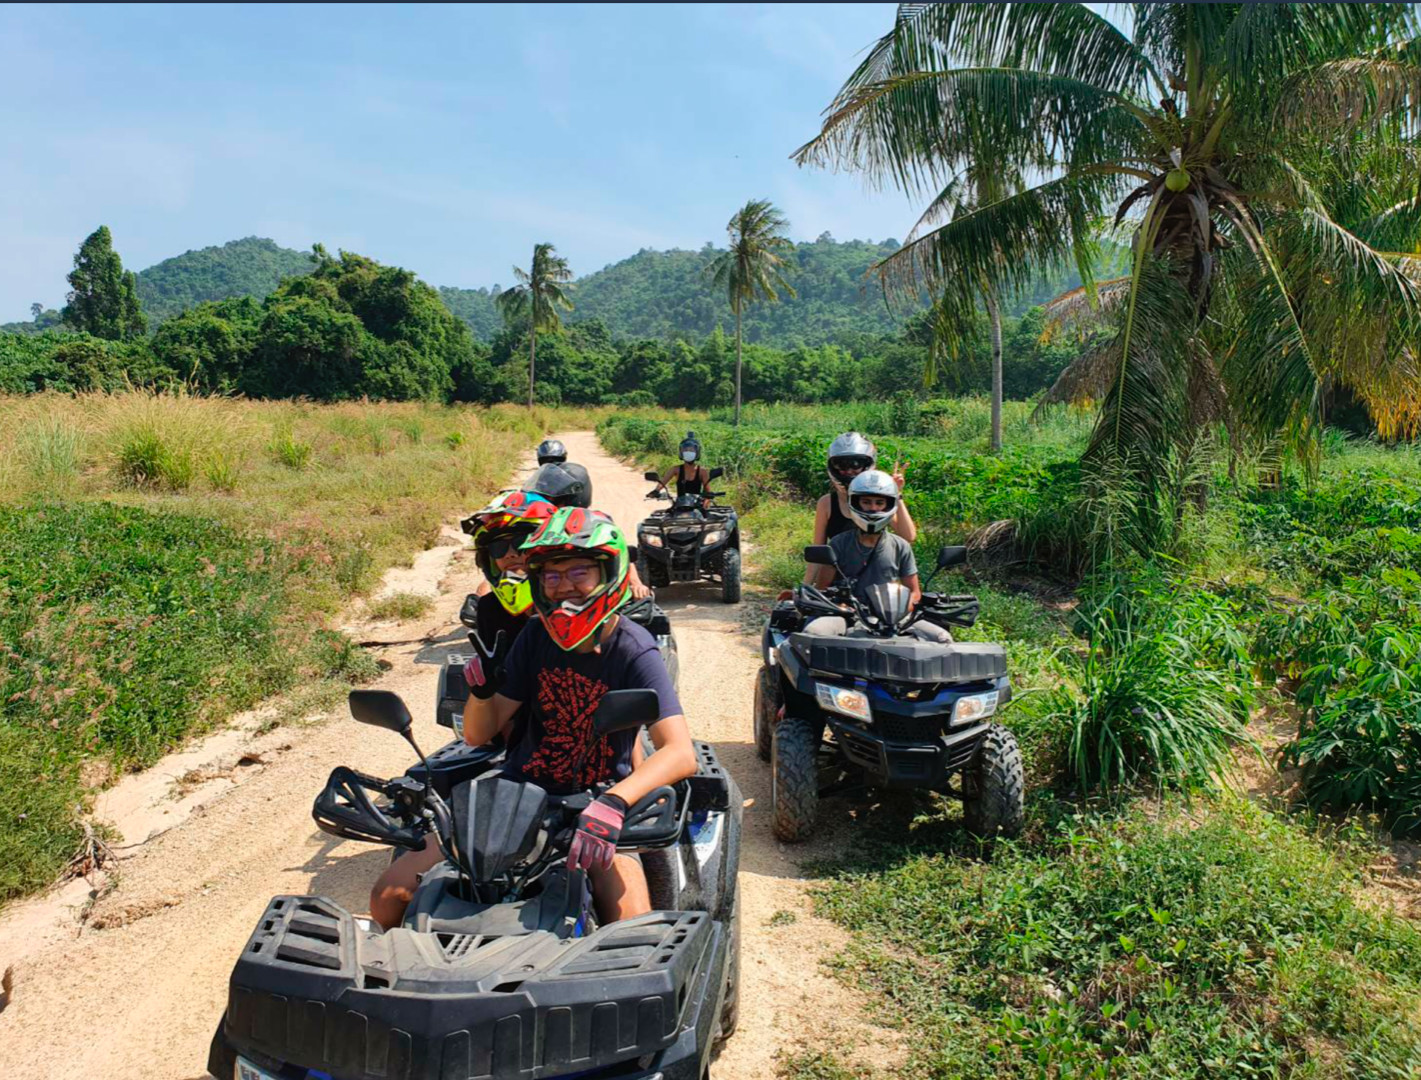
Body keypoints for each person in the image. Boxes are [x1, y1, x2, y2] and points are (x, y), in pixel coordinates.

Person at [368, 508, 696, 930]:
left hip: (593, 802)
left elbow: (679, 751)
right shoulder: (535, 635)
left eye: (579, 572)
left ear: (608, 573)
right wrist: (482, 693)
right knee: (388, 896)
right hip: (517, 795)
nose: (563, 588)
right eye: (551, 577)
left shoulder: (634, 648)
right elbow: (478, 733)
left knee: (630, 927)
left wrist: (614, 803)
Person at [805, 469, 949, 643]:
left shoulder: (900, 546)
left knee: (943, 638)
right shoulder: (838, 544)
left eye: (879, 503)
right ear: (856, 503)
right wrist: (841, 607)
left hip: (895, 619)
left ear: (889, 505)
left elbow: (914, 592)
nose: (873, 508)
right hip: (848, 616)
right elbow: (823, 589)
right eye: (866, 502)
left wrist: (899, 611)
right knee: (813, 633)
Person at [800, 432, 917, 587]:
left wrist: (896, 494)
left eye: (856, 465)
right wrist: (805, 590)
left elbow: (908, 536)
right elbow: (818, 552)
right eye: (842, 465)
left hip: (879, 584)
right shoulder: (827, 503)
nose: (849, 471)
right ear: (833, 467)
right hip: (840, 587)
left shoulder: (877, 501)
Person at [658, 431, 711, 499]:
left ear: (697, 452)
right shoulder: (675, 469)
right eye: (686, 450)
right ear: (681, 452)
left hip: (696, 506)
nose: (688, 452)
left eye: (691, 450)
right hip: (679, 505)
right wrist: (656, 490)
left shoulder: (702, 471)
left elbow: (708, 492)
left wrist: (706, 504)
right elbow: (663, 482)